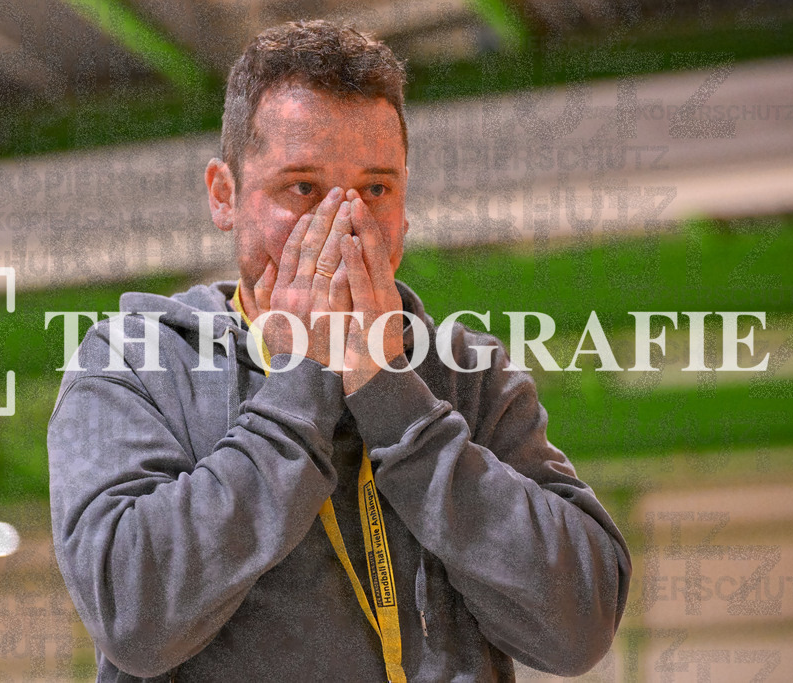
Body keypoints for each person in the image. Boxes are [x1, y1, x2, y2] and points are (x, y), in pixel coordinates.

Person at [47, 19, 631, 682]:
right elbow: (135, 616)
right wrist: (300, 386)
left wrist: (396, 401)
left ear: (404, 208)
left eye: (375, 189)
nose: (343, 225)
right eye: (302, 188)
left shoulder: (469, 374)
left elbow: (580, 626)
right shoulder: (133, 361)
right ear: (225, 196)